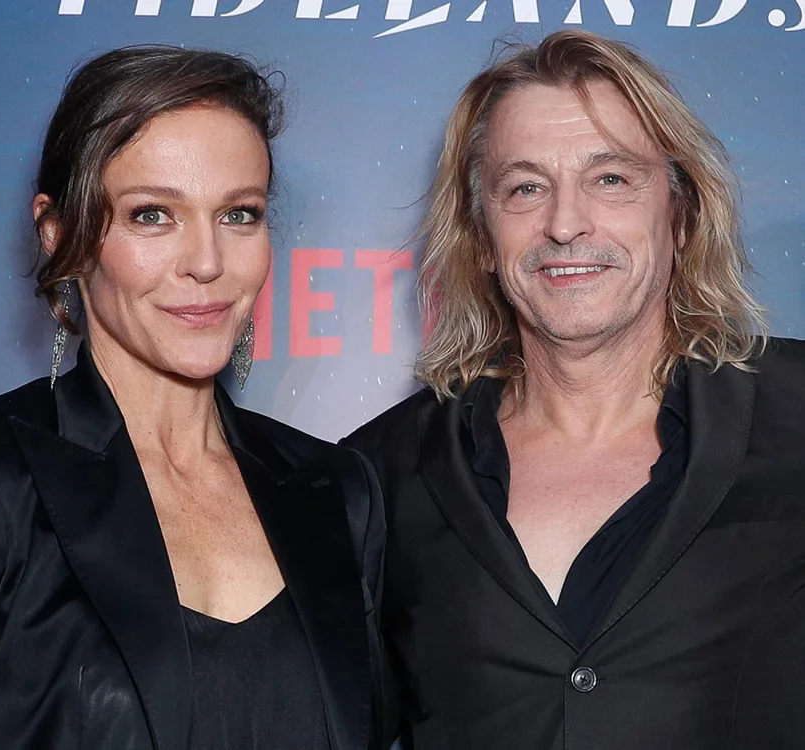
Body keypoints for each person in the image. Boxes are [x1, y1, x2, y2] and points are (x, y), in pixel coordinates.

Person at [0, 46, 385, 750]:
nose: (208, 262)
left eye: (240, 214)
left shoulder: (338, 491)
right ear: (60, 233)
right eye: (153, 215)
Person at [345, 29, 805, 749]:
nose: (564, 224)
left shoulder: (797, 411)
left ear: (679, 214)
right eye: (525, 187)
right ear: (482, 235)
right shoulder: (378, 474)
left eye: (611, 179)